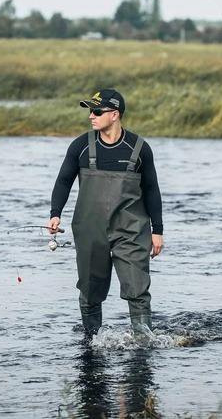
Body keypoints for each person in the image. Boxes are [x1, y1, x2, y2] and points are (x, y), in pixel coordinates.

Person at [48, 89, 163, 336]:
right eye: (90, 110)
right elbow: (63, 181)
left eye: (96, 111)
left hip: (131, 231)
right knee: (90, 290)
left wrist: (158, 231)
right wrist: (55, 213)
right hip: (90, 230)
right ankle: (91, 341)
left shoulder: (140, 149)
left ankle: (144, 342)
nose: (91, 115)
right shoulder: (80, 146)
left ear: (114, 115)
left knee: (137, 288)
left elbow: (152, 190)